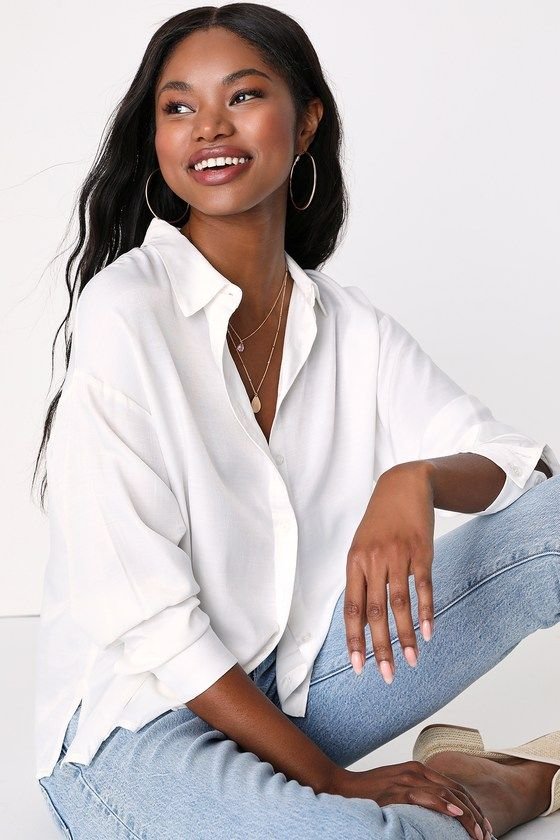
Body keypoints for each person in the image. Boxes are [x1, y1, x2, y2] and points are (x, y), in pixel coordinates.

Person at [31, 4, 560, 839]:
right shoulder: (127, 311)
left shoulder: (350, 325)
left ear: (305, 121)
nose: (209, 126)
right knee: (359, 837)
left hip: (297, 690)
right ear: (156, 138)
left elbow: (524, 470)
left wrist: (414, 479)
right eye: (178, 107)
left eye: (243, 96)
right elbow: (150, 620)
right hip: (141, 728)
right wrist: (335, 784)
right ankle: (498, 789)